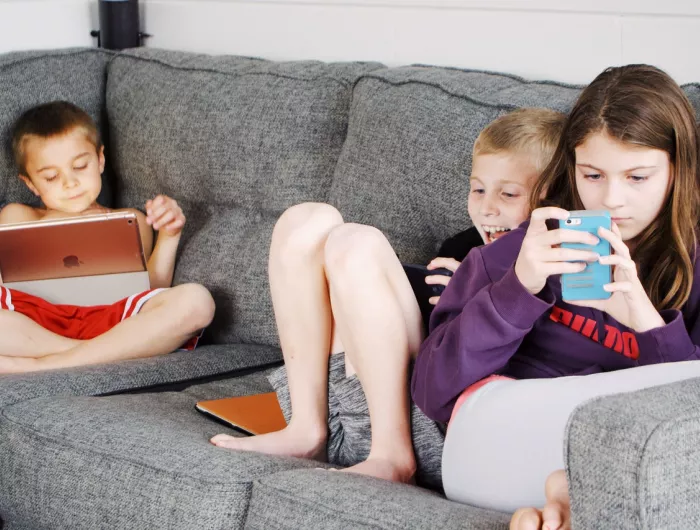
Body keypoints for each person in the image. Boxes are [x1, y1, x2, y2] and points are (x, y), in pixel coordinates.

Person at [408, 65, 700, 530]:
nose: (612, 200)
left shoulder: (691, 268)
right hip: (492, 448)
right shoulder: (512, 254)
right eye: (593, 174)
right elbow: (431, 390)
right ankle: (569, 489)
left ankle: (562, 504)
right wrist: (517, 290)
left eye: (637, 177)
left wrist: (648, 324)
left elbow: (688, 428)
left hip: (632, 462)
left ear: (677, 170)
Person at [211, 108, 566, 488]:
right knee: (306, 219)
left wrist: (470, 303)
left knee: (355, 242)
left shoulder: (554, 267)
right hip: (344, 408)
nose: (486, 208)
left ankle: (392, 456)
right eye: (477, 189)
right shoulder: (462, 247)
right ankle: (305, 430)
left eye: (508, 194)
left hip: (428, 427)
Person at [0, 101, 215, 373]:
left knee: (198, 301)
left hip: (113, 320)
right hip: (36, 324)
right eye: (52, 177)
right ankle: (97, 352)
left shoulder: (131, 220)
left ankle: (45, 365)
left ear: (100, 160)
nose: (70, 183)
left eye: (79, 166)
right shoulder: (18, 216)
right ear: (31, 184)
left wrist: (169, 235)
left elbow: (149, 288)